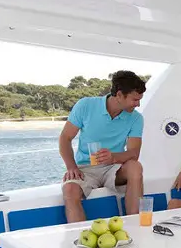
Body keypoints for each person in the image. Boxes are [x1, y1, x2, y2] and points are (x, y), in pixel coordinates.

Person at [60, 70, 146, 222]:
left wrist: (113, 157)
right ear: (119, 95)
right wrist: (71, 167)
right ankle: (81, 234)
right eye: (134, 99)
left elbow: (134, 153)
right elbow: (65, 138)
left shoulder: (136, 118)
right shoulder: (85, 105)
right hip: (85, 168)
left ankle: (134, 224)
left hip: (113, 168)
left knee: (135, 167)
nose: (138, 104)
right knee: (69, 189)